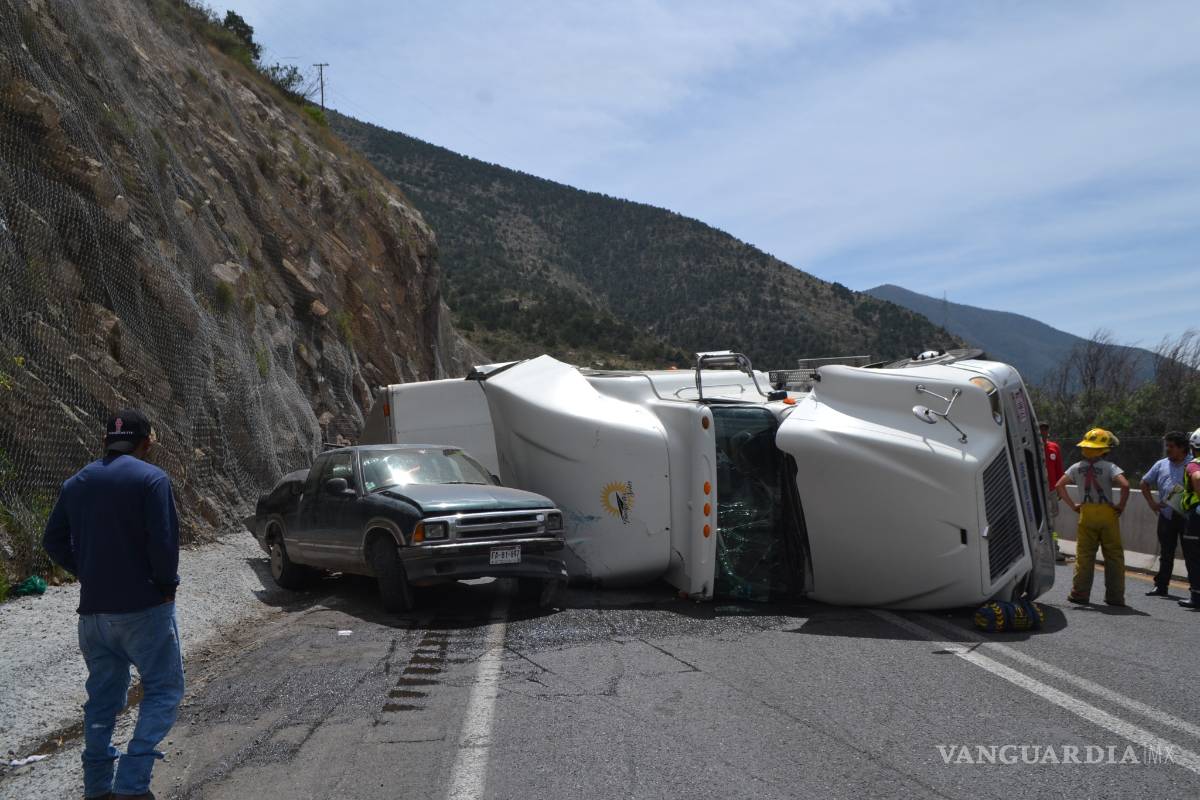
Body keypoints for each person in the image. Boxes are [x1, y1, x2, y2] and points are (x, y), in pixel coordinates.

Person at [43, 410, 183, 800]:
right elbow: (163, 542)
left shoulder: (76, 483)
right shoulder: (152, 479)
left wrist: (85, 570)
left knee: (102, 700)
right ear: (146, 443)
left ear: (105, 440)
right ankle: (132, 786)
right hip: (143, 609)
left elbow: (53, 541)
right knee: (163, 689)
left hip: (93, 615)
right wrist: (166, 585)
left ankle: (97, 787)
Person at [1055, 428, 1130, 606]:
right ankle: (1115, 597)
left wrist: (1073, 505)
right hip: (1107, 514)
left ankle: (1079, 594)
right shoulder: (1109, 467)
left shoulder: (1076, 467)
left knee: (1085, 556)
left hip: (1087, 514)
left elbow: (1059, 485)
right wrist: (1120, 506)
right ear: (1104, 449)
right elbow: (1125, 486)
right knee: (1114, 556)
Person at [1140, 431, 1189, 596]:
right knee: (1166, 553)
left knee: (1192, 553)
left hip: (1189, 518)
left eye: (1172, 446)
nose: (1168, 449)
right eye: (1167, 445)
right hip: (1167, 516)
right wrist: (1152, 503)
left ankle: (1195, 590)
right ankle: (1161, 586)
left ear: (1182, 448)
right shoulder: (1161, 464)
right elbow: (1144, 483)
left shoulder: (1194, 464)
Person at [1177, 428, 1200, 610]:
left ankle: (1196, 596)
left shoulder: (1194, 464)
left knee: (1194, 557)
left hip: (1196, 519)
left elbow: (1197, 477)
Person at [1041, 422, 1064, 491]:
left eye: (1045, 429)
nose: (1043, 432)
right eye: (1041, 430)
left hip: (1052, 488)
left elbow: (1059, 468)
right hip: (1039, 489)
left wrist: (1061, 487)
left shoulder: (1054, 447)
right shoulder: (1034, 448)